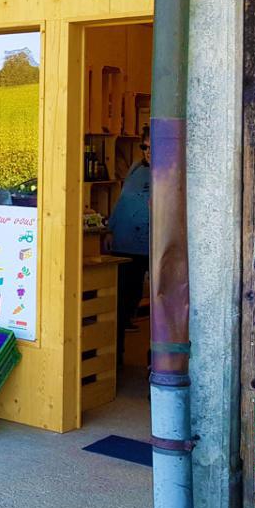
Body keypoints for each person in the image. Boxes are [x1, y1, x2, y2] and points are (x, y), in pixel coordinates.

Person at [109, 132, 151, 370]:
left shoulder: (171, 170)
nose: (148, 152)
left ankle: (158, 364)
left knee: (162, 306)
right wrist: (110, 228)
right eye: (144, 147)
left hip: (153, 245)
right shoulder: (136, 167)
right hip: (125, 244)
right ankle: (115, 360)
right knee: (121, 303)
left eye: (152, 147)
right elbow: (122, 201)